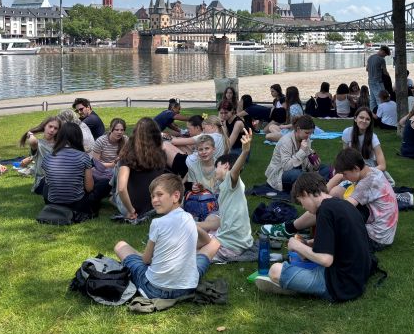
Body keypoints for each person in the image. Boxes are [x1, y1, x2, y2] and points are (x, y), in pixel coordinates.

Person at [255, 172, 373, 302]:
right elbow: (344, 240)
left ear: (305, 193)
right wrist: (311, 243)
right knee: (300, 261)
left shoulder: (324, 211)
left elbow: (325, 260)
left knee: (275, 270)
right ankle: (297, 284)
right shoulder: (342, 204)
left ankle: (296, 287)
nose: (304, 207)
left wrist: (297, 245)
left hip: (339, 285)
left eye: (301, 202)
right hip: (358, 277)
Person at [262, 148, 398, 251]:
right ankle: (295, 228)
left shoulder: (367, 183)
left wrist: (318, 198)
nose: (344, 177)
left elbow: (340, 211)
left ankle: (298, 233)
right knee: (333, 195)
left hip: (376, 238)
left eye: (345, 174)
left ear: (356, 168)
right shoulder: (371, 171)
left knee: (329, 208)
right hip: (380, 229)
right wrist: (336, 178)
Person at [114, 174, 221, 299]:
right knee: (215, 242)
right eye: (153, 196)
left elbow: (146, 261)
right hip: (188, 288)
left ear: (175, 196)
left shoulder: (157, 223)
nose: (154, 200)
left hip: (155, 290)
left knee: (120, 245)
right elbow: (207, 240)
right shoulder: (189, 218)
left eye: (159, 195)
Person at [41, 122, 110, 217]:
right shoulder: (83, 157)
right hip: (76, 204)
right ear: (78, 137)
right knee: (106, 183)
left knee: (44, 182)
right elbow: (89, 188)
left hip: (52, 202)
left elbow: (49, 182)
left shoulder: (47, 157)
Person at [210, 129, 258, 263]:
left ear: (226, 166)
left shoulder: (230, 180)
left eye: (217, 166)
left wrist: (245, 151)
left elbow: (234, 171)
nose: (215, 170)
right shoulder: (227, 185)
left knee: (194, 244)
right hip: (238, 240)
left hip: (231, 245)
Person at [111, 117, 167, 222]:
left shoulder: (127, 156)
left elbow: (122, 188)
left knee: (118, 166)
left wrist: (131, 211)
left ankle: (113, 195)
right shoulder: (161, 154)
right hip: (155, 205)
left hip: (133, 207)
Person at [264, 115, 327, 192]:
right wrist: (302, 151)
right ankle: (316, 185)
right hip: (279, 174)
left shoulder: (306, 139)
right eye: (307, 133)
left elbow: (306, 165)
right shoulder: (286, 141)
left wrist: (315, 166)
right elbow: (286, 167)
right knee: (299, 175)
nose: (309, 136)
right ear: (298, 129)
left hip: (299, 170)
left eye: (311, 133)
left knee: (325, 168)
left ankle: (316, 184)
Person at [342, 107, 387, 175]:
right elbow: (345, 156)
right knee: (338, 175)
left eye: (367, 119)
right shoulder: (347, 132)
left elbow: (382, 166)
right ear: (355, 119)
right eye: (361, 117)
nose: (364, 121)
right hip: (353, 165)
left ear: (370, 122)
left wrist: (364, 172)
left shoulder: (373, 138)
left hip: (369, 167)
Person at [19, 116, 60, 191]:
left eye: (55, 128)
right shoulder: (39, 144)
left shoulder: (60, 144)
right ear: (44, 126)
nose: (52, 130)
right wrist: (30, 134)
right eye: (50, 126)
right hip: (43, 182)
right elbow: (33, 142)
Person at [365, 46, 390, 110]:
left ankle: (372, 114)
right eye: (385, 55)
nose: (384, 56)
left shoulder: (370, 57)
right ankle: (381, 114)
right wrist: (389, 76)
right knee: (380, 99)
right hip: (378, 82)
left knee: (372, 100)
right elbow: (385, 72)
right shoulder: (382, 60)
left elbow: (367, 69)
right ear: (383, 51)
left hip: (370, 80)